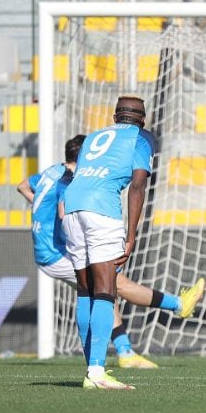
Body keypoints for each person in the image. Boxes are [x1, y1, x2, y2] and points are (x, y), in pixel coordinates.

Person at [17, 135, 206, 370]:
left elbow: (23, 185)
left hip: (47, 249)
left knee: (106, 290)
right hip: (55, 254)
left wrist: (40, 211)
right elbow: (65, 215)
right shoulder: (70, 180)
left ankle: (125, 351)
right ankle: (178, 305)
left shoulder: (51, 172)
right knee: (116, 283)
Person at [61, 96, 156, 389]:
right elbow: (137, 187)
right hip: (102, 210)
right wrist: (131, 235)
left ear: (115, 116)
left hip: (72, 207)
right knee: (106, 290)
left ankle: (92, 368)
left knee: (85, 290)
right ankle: (97, 373)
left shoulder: (93, 137)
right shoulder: (142, 138)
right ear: (142, 119)